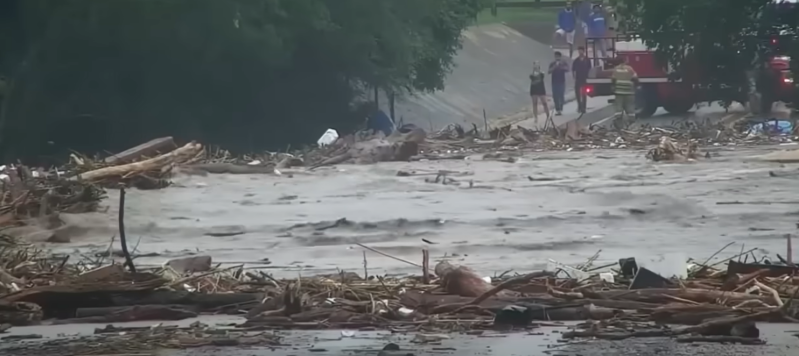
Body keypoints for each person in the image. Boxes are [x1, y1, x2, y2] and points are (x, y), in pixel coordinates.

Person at [611, 57, 639, 128]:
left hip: (619, 92)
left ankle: (619, 124)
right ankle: (631, 123)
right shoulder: (630, 69)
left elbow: (613, 80)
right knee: (630, 108)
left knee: (619, 108)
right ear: (625, 61)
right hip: (629, 92)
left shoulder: (616, 69)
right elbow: (635, 78)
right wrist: (636, 85)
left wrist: (614, 88)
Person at [529, 62, 550, 128]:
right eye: (535, 66)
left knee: (544, 103)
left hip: (541, 89)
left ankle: (548, 115)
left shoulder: (541, 74)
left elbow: (542, 75)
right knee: (535, 104)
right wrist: (533, 72)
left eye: (537, 66)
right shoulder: (532, 75)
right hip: (534, 89)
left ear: (539, 67)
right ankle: (535, 117)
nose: (536, 67)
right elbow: (531, 77)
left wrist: (538, 72)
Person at [572, 47, 592, 113]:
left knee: (584, 93)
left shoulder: (587, 60)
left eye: (581, 51)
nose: (580, 52)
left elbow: (590, 69)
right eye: (579, 51)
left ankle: (583, 107)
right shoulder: (576, 61)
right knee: (577, 93)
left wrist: (589, 77)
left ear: (583, 51)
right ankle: (579, 106)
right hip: (578, 78)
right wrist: (574, 77)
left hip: (584, 78)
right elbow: (573, 70)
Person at [549, 51, 569, 116]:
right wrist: (554, 67)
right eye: (556, 56)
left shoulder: (563, 63)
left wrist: (560, 67)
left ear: (560, 57)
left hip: (561, 81)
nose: (557, 57)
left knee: (561, 95)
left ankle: (560, 108)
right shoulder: (552, 63)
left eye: (558, 56)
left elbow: (567, 69)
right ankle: (557, 109)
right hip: (554, 82)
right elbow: (549, 71)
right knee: (555, 96)